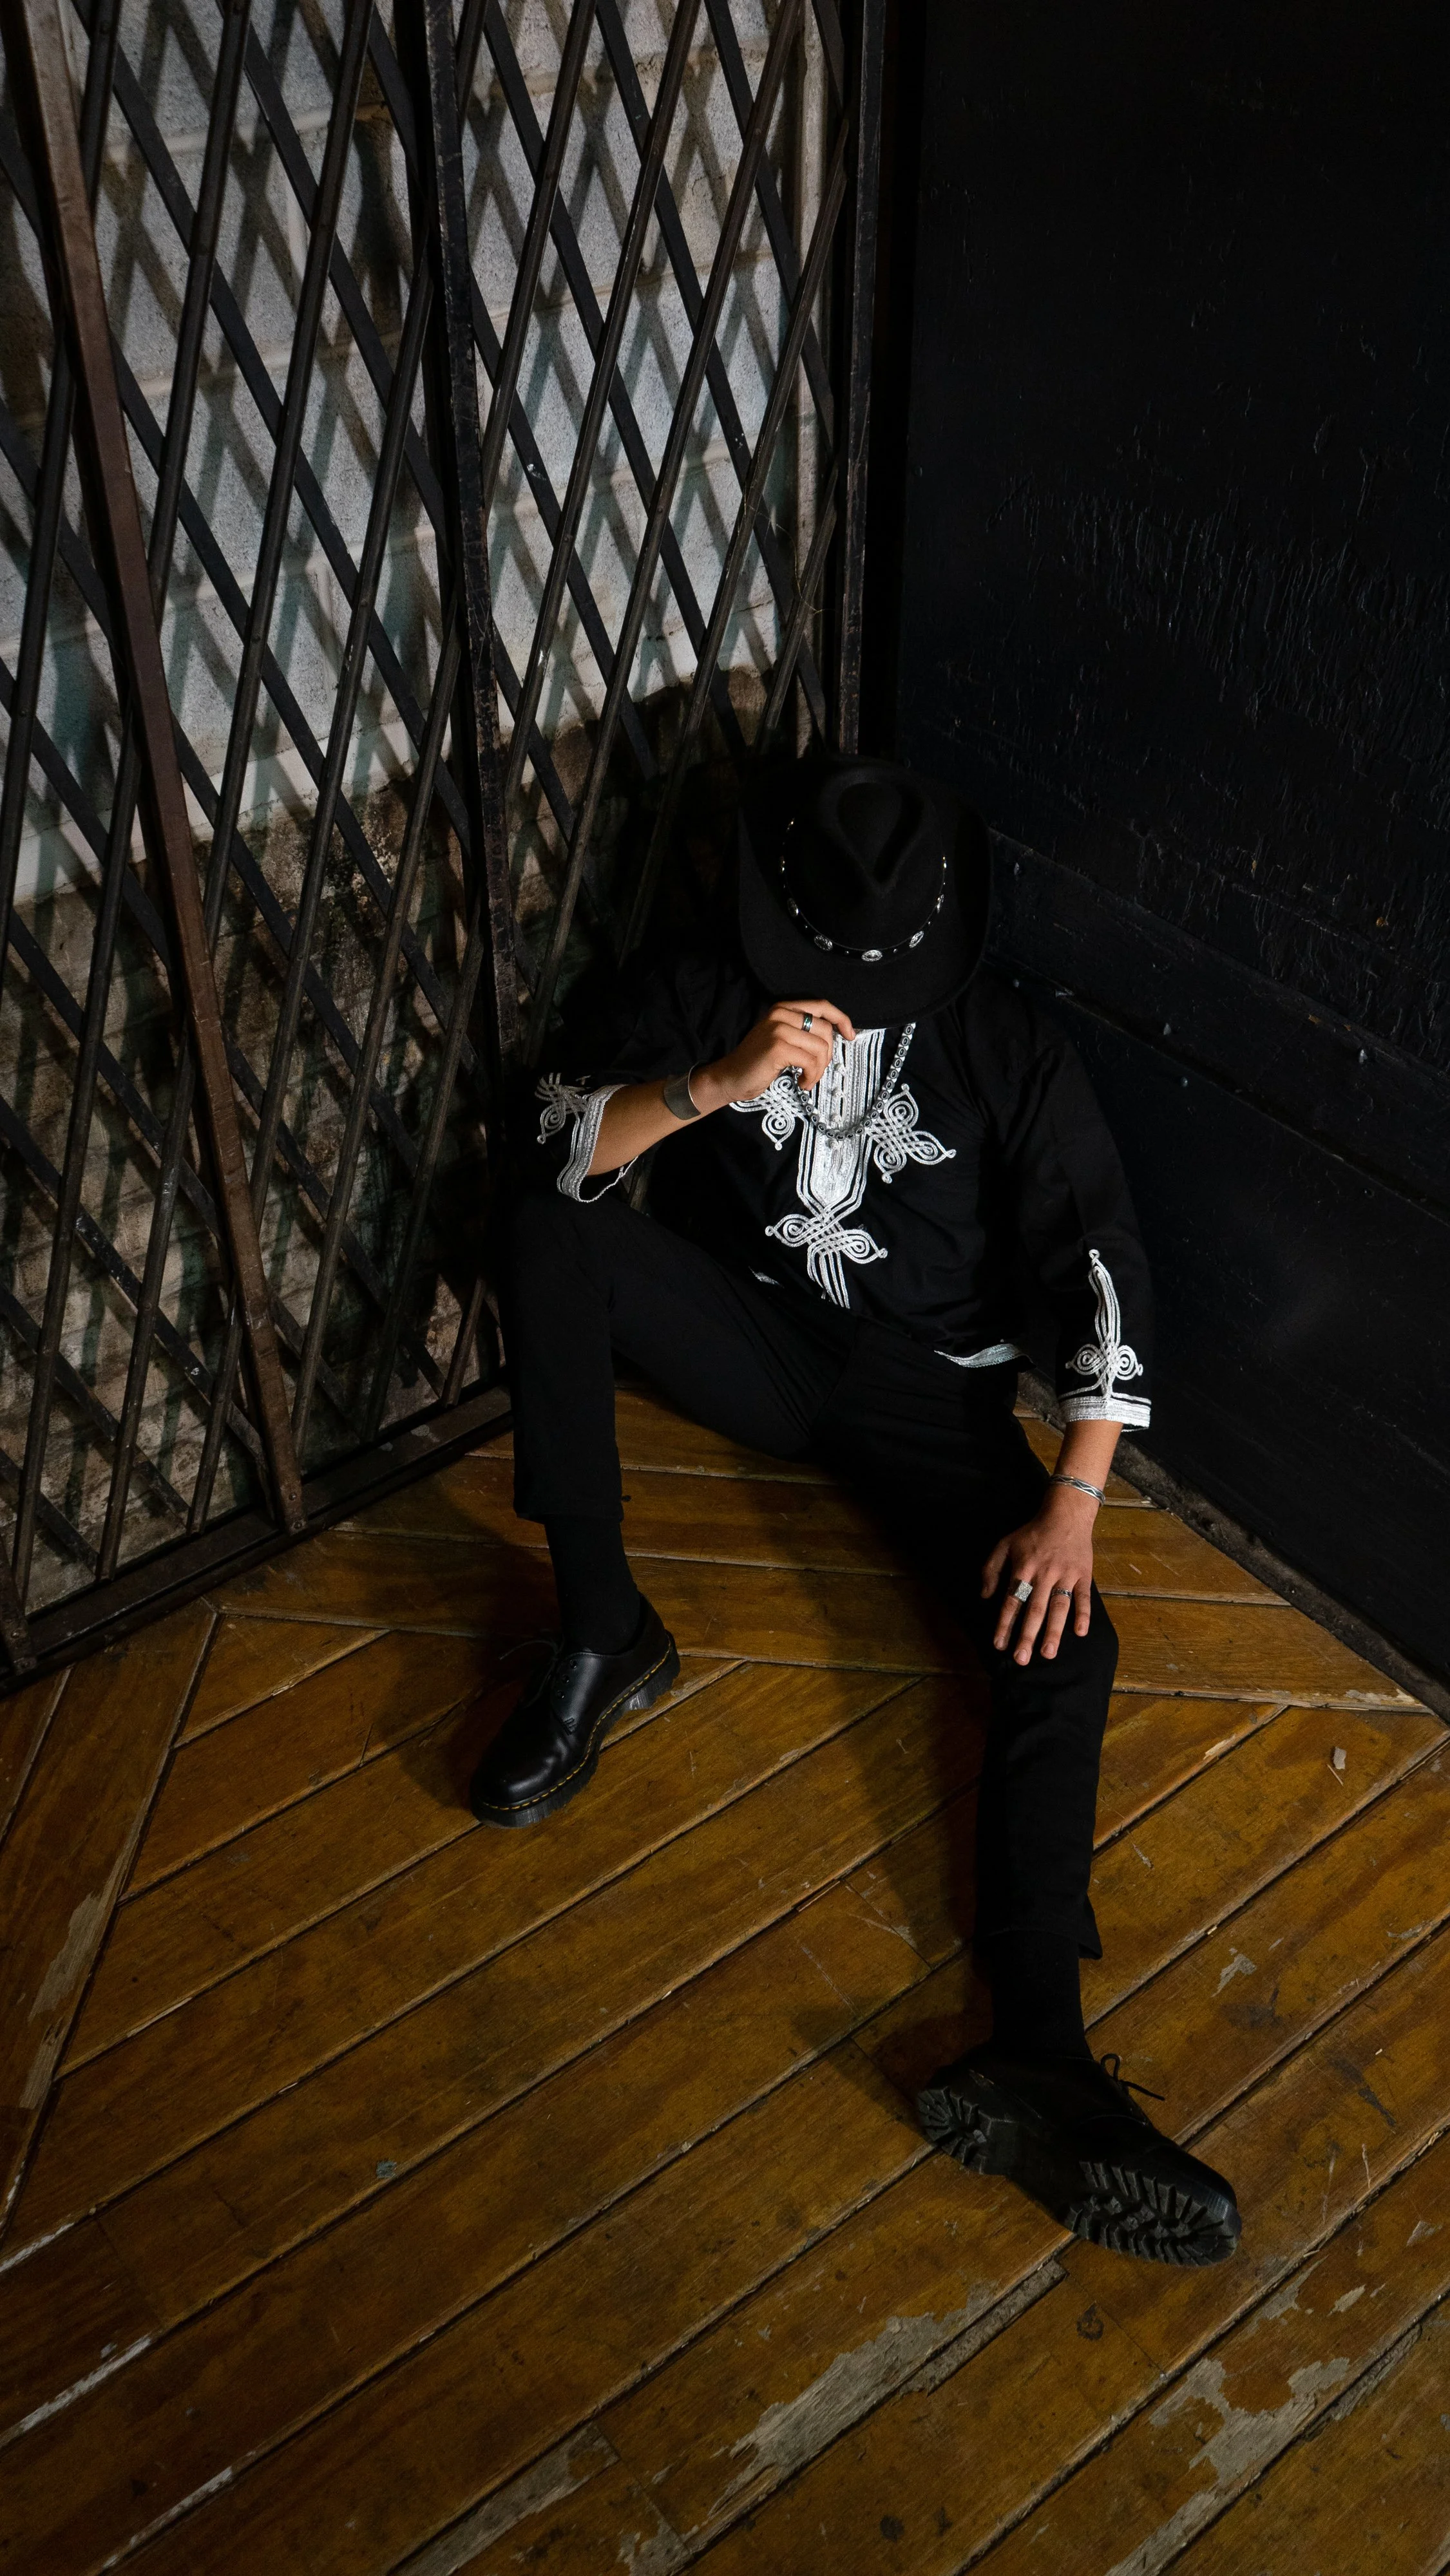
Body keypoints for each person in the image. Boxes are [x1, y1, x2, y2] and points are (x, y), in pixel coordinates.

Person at [472, 751, 1240, 2268]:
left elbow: (1102, 1260)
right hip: (754, 1337)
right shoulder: (714, 988)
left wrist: (1075, 1498)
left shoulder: (1003, 1046)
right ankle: (603, 1630)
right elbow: (549, 1132)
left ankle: (1040, 2041)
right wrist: (713, 1084)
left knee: (1065, 1645)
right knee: (545, 1235)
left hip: (921, 1397)